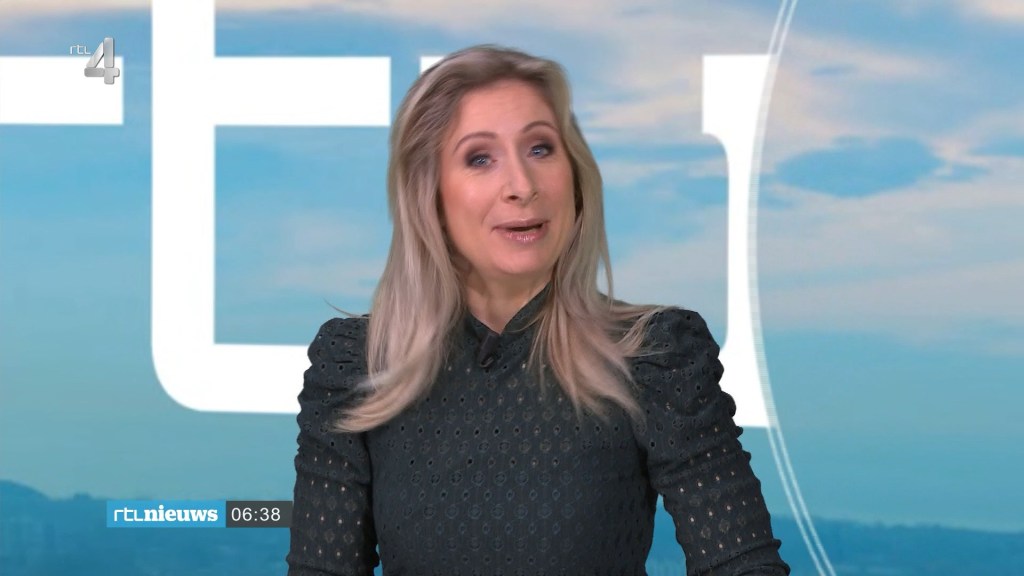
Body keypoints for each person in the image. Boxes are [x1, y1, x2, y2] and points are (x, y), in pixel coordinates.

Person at [287, 44, 789, 576]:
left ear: (575, 177)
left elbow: (744, 564)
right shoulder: (356, 365)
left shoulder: (656, 355)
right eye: (480, 158)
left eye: (541, 149)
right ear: (429, 195)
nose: (522, 187)